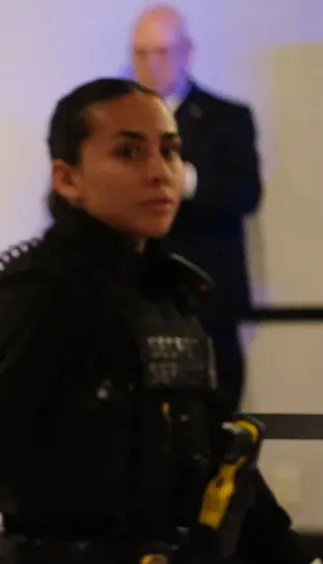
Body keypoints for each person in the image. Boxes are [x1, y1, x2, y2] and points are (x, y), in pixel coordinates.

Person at [0, 79, 316, 564]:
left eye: (170, 151)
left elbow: (219, 454)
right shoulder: (40, 292)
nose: (159, 172)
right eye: (129, 152)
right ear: (68, 178)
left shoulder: (169, 291)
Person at [130, 4, 263, 411]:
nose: (152, 64)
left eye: (163, 52)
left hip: (208, 296)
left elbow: (246, 193)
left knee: (214, 412)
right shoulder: (113, 125)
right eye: (141, 53)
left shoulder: (226, 118)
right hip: (136, 293)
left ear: (187, 52)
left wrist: (187, 180)